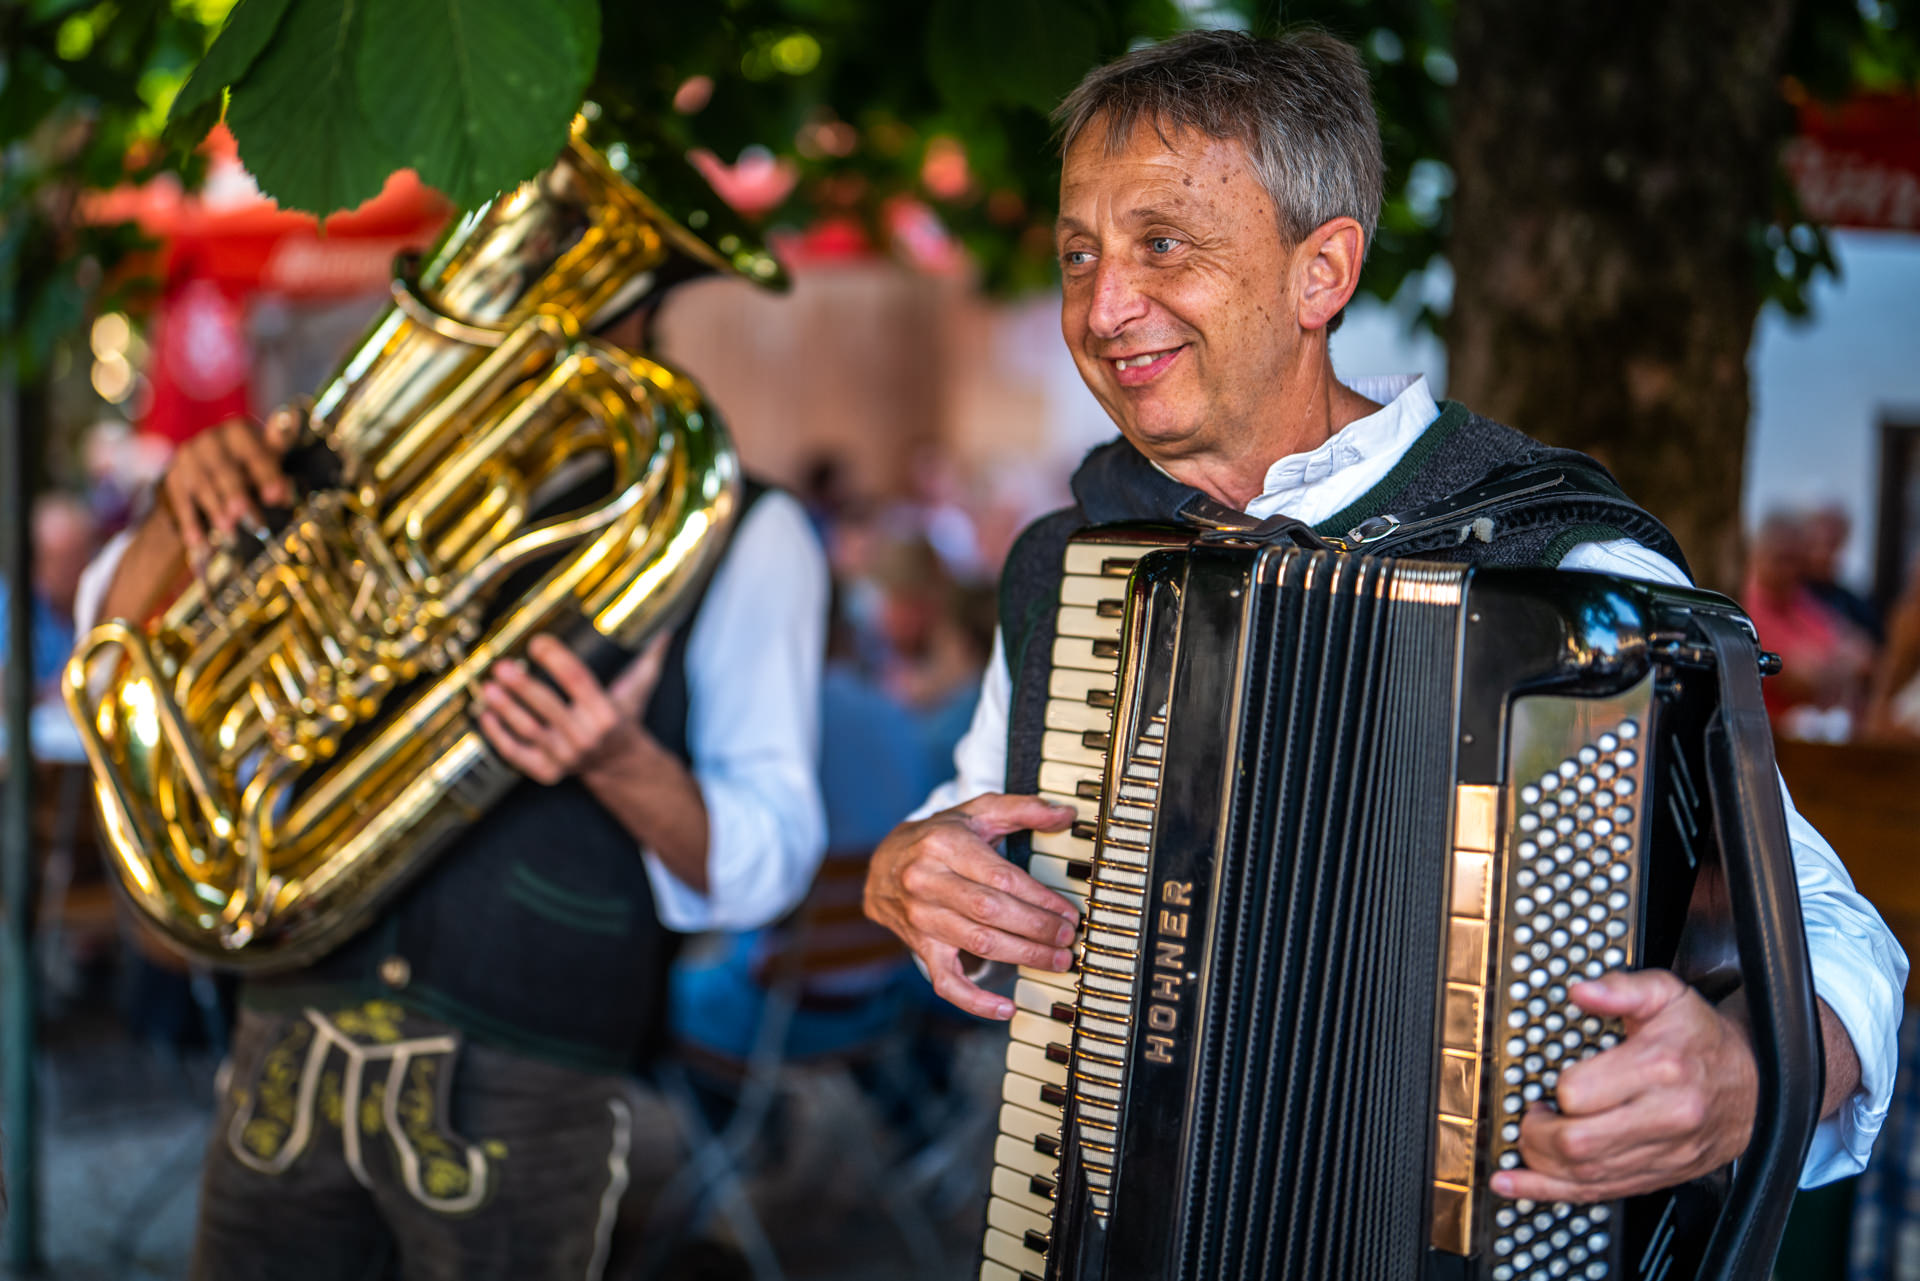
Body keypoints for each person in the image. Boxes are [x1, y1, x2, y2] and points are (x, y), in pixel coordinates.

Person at [863, 28, 1906, 1211]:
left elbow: (1831, 930)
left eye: (1163, 245)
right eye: (1077, 254)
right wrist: (912, 867)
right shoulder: (1072, 562)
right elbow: (979, 821)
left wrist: (1751, 1076)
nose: (1104, 308)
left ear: (1323, 273)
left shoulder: (1567, 572)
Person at [73, 327, 829, 1276]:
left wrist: (616, 760)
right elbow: (112, 654)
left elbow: (768, 864)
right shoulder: (345, 462)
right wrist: (177, 508)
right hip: (286, 1042)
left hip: (529, 1077)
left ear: (638, 310)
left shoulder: (746, 527)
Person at [1742, 509, 1879, 738]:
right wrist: (1835, 666)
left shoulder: (1801, 601)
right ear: (1756, 555)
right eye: (1781, 559)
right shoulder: (1746, 608)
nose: (1789, 570)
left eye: (1796, 561)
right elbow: (1796, 678)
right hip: (1766, 739)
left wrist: (1822, 666)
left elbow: (1864, 656)